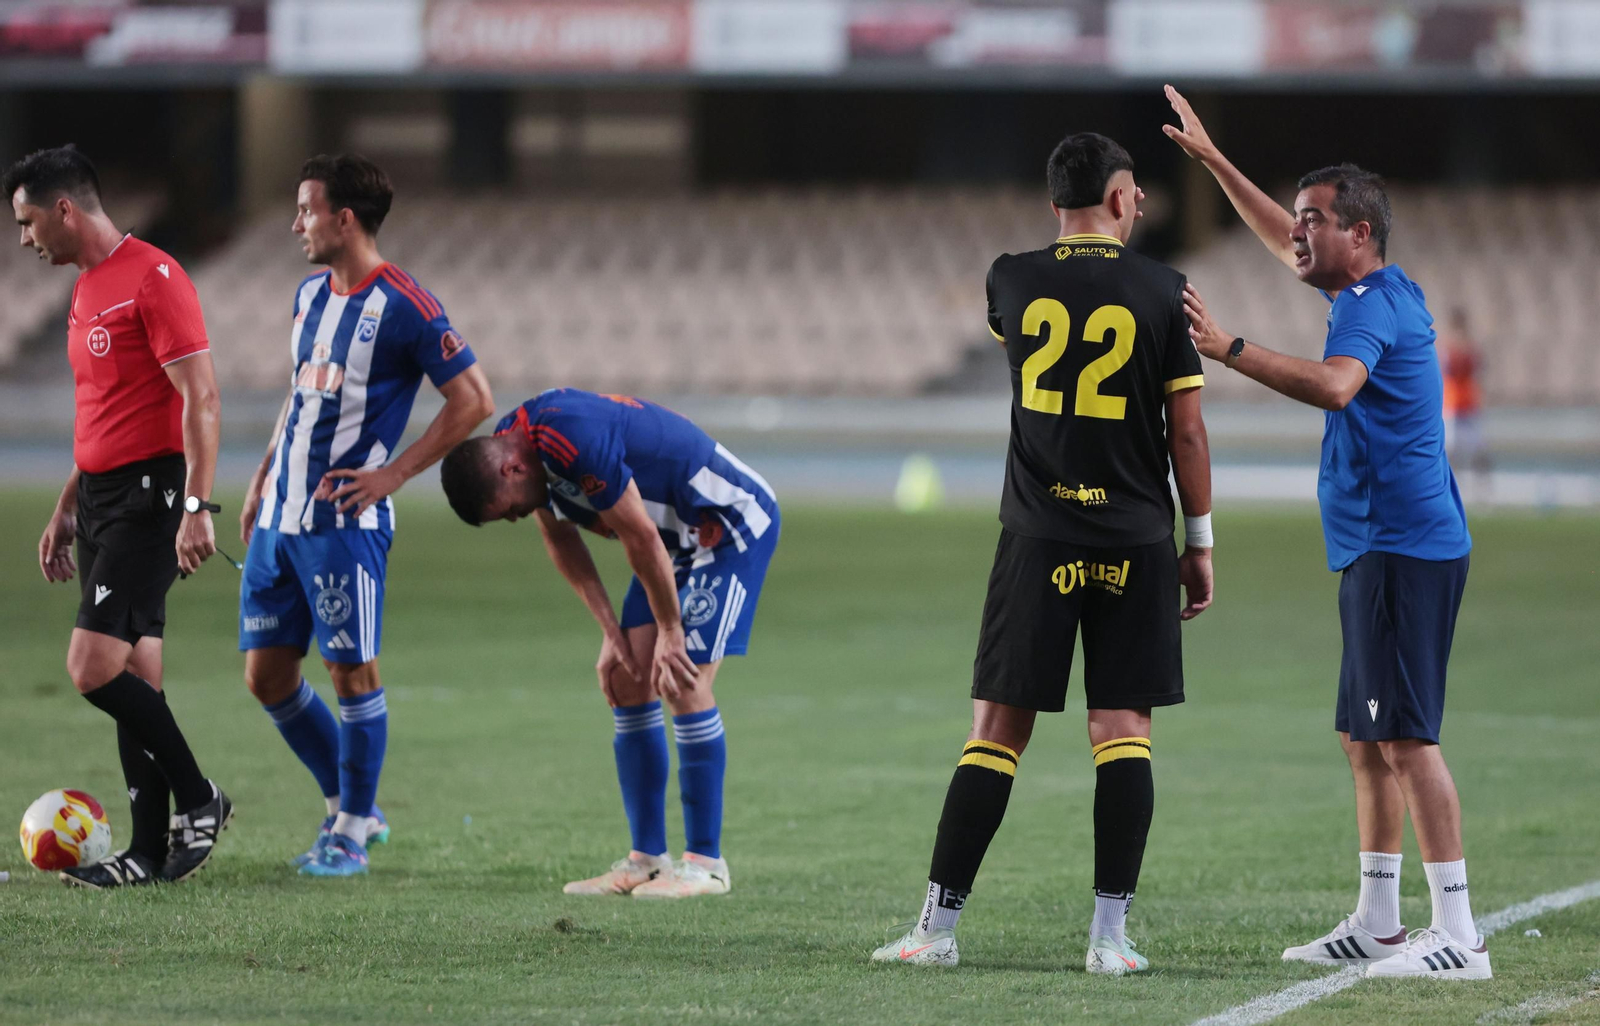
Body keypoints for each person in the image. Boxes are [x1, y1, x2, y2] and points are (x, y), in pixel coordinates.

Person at [1165, 85, 1489, 980]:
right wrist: (1215, 161)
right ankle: (1380, 920)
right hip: (1380, 544)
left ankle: (1459, 935)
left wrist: (1229, 349)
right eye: (1299, 219)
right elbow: (1279, 240)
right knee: (1365, 737)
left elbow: (1338, 386)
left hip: (1402, 545)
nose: (1296, 234)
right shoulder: (1373, 285)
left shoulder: (1368, 308)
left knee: (1407, 739)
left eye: (1315, 221)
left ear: (1360, 234)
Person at [871, 132, 1214, 974]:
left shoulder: (1010, 278)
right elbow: (1188, 430)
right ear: (1123, 198)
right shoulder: (1166, 292)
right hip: (1135, 537)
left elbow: (1028, 345)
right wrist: (1197, 539)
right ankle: (1108, 941)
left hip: (1037, 535)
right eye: (1135, 194)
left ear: (1054, 202)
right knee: (1121, 731)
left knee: (995, 731)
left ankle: (935, 931)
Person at [238, 154, 494, 877]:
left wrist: (395, 474)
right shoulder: (308, 295)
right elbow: (302, 394)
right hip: (280, 519)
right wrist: (262, 475)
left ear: (342, 219)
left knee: (352, 673)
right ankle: (352, 803)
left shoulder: (407, 304)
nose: (296, 225)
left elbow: (475, 399)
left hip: (343, 527)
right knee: (266, 677)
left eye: (306, 211)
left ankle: (349, 829)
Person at [439, 388, 781, 899]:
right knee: (626, 680)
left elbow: (638, 537)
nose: (516, 518)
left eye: (508, 511)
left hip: (723, 529)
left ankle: (705, 864)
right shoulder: (521, 447)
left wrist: (669, 632)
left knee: (680, 678)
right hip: (668, 542)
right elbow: (561, 540)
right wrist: (610, 631)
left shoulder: (568, 436)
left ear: (511, 470)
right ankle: (646, 860)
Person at [8, 144, 231, 889]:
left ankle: (200, 798)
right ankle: (143, 853)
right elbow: (104, 406)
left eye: (28, 221)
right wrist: (68, 502)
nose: (24, 238)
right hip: (102, 498)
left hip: (153, 496)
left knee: (90, 666)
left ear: (64, 209)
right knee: (137, 673)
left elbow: (200, 397)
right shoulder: (83, 289)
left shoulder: (154, 276)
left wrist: (196, 507)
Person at [1438, 308, 1490, 489]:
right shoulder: (1447, 347)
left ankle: (1482, 487)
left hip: (1468, 403)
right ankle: (1449, 486)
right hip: (1452, 403)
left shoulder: (1471, 346)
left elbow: (1478, 369)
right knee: (1449, 449)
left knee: (1478, 448)